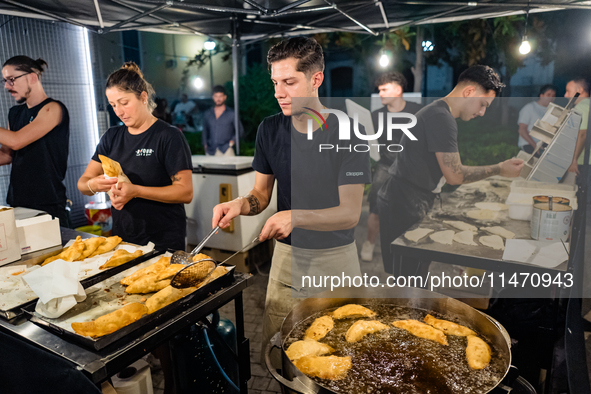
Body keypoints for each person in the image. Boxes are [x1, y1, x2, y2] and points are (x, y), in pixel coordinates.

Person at [211, 37, 370, 366]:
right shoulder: (269, 130)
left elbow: (349, 214)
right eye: (274, 82)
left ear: (316, 79)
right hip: (287, 259)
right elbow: (260, 195)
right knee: (280, 349)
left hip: (336, 261)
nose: (278, 92)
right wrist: (238, 206)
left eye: (289, 82)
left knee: (341, 355)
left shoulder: (349, 132)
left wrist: (295, 216)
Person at [377, 65, 524, 274]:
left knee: (413, 276)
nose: (482, 113)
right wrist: (500, 169)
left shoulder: (439, 112)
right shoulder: (441, 118)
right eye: (483, 104)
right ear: (469, 92)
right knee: (409, 281)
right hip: (403, 203)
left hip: (406, 198)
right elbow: (455, 175)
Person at [0, 56, 70, 227]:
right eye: (5, 81)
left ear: (32, 77)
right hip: (18, 202)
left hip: (48, 203)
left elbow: (17, 141)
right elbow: (8, 155)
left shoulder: (52, 108)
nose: (6, 86)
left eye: (11, 80)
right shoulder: (15, 113)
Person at [360, 71, 423, 262]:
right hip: (385, 166)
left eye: (384, 89)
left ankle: (406, 248)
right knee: (375, 210)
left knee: (410, 212)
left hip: (409, 170)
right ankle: (369, 243)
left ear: (397, 90)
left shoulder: (417, 111)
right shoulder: (375, 116)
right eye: (379, 90)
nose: (380, 93)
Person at [202, 85, 244, 156]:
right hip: (211, 150)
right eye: (216, 96)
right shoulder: (208, 114)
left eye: (220, 96)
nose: (218, 99)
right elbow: (205, 131)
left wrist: (233, 141)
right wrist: (205, 144)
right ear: (213, 97)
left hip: (226, 149)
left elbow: (240, 130)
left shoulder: (231, 114)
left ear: (225, 97)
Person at [517, 84, 556, 154]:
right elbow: (522, 130)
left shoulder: (552, 111)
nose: (551, 98)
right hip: (529, 144)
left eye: (553, 96)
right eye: (548, 94)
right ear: (541, 95)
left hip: (544, 146)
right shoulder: (529, 108)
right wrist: (535, 145)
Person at [565, 78, 590, 175]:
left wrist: (574, 160)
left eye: (568, 91)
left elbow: (583, 134)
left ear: (580, 90)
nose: (565, 95)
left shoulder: (581, 107)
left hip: (584, 160)